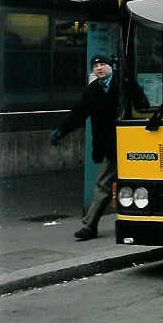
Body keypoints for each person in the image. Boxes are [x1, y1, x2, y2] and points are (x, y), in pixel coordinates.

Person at [50, 53, 119, 241]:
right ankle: (90, 226)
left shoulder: (124, 85)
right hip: (109, 147)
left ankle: (91, 225)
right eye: (95, 66)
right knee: (104, 184)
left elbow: (142, 104)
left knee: (107, 184)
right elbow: (77, 114)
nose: (99, 68)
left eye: (103, 64)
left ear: (111, 66)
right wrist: (61, 131)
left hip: (132, 142)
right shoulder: (92, 91)